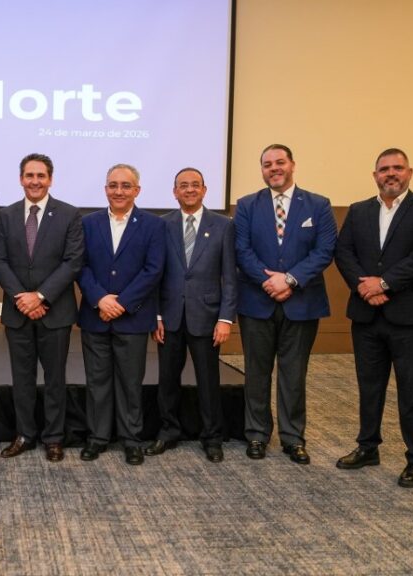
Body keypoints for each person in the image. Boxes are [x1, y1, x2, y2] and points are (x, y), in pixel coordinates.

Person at [334, 148, 413, 488]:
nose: (391, 174)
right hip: (367, 316)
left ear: (409, 172)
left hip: (411, 317)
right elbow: (344, 252)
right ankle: (368, 447)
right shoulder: (359, 211)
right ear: (375, 176)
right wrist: (364, 287)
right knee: (369, 386)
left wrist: (383, 283)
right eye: (384, 169)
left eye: (398, 168)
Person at [234, 144, 336, 464]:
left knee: (294, 373)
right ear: (262, 170)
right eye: (267, 164)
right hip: (257, 301)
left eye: (280, 162)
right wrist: (269, 281)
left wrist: (290, 279)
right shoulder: (247, 205)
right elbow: (241, 250)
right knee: (256, 372)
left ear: (292, 165)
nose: (274, 168)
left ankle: (293, 438)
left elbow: (324, 250)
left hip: (302, 302)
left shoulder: (318, 205)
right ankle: (256, 434)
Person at [0, 153, 84, 462]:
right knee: (22, 379)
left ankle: (54, 438)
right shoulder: (5, 215)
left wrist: (41, 296)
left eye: (41, 176)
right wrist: (23, 297)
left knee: (55, 378)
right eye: (30, 175)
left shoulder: (69, 214)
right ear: (21, 179)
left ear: (50, 179)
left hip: (54, 312)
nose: (35, 181)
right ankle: (24, 435)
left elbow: (73, 261)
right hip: (18, 312)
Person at [77, 164, 164, 466]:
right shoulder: (88, 223)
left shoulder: (154, 225)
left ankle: (131, 439)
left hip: (133, 318)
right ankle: (97, 437)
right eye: (113, 185)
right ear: (105, 190)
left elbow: (153, 270)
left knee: (130, 382)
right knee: (97, 381)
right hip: (95, 316)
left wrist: (122, 303)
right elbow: (80, 266)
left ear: (137, 190)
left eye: (126, 186)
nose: (119, 191)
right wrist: (100, 299)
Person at [149, 168, 237, 463]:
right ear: (175, 191)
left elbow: (230, 276)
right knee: (167, 380)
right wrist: (156, 316)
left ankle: (212, 437)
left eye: (195, 185)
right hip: (169, 317)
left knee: (208, 381)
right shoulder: (162, 225)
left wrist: (225, 318)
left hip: (208, 318)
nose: (189, 190)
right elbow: (155, 274)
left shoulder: (223, 225)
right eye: (183, 185)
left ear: (204, 190)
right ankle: (168, 432)